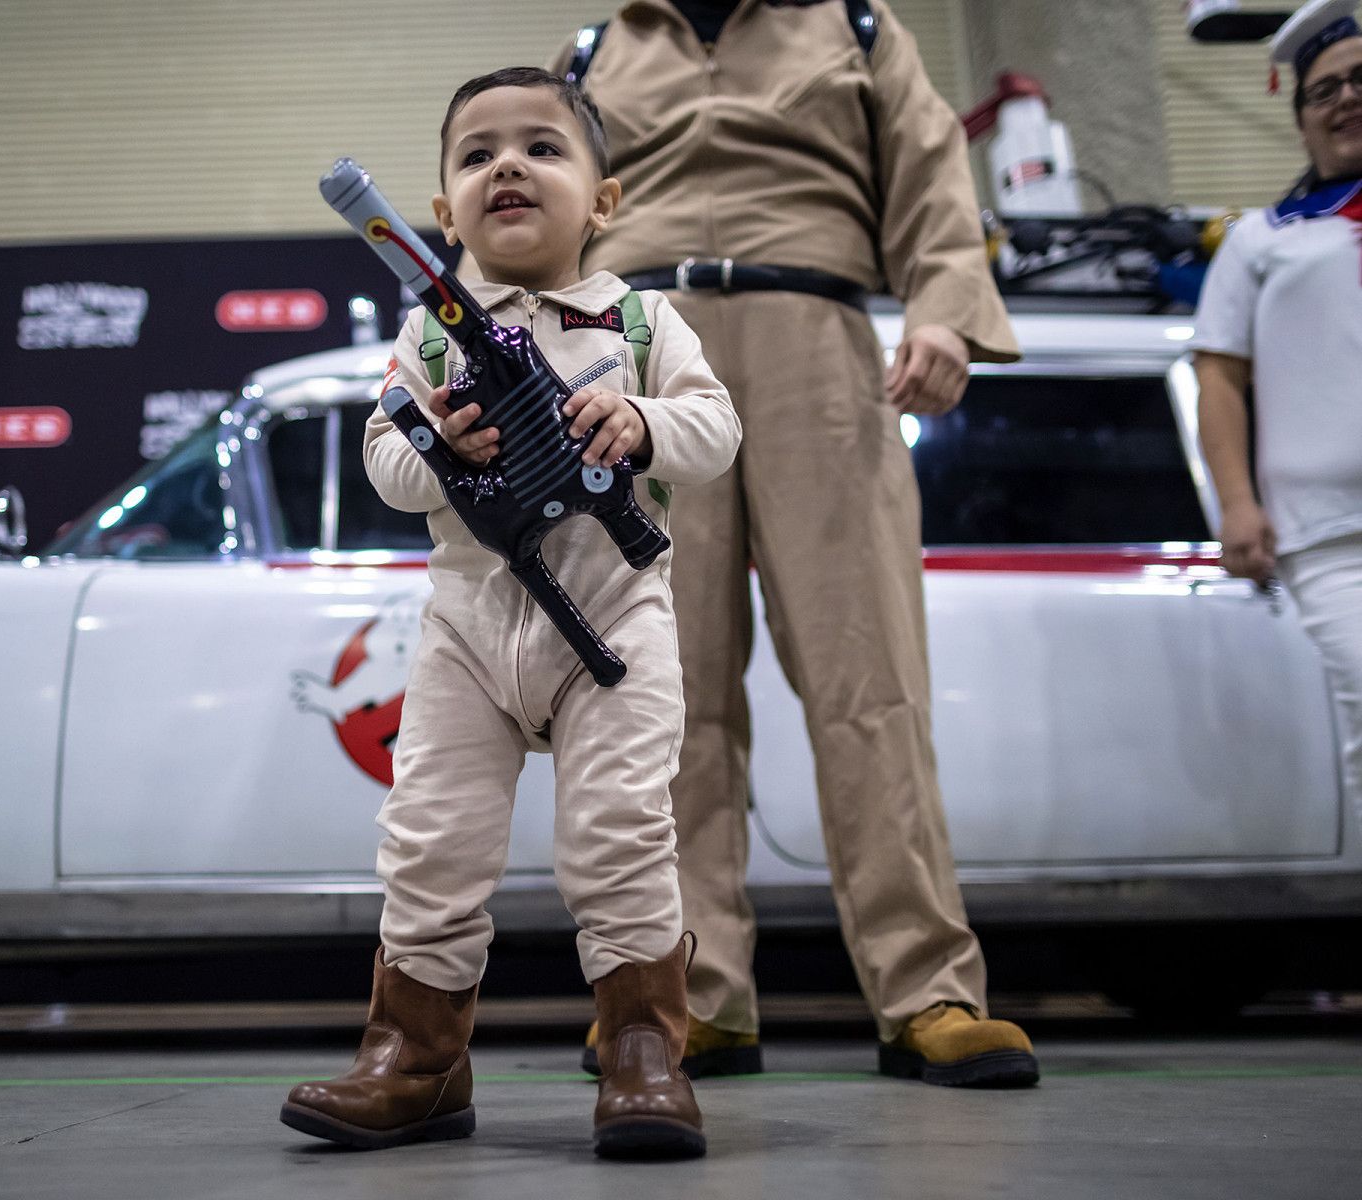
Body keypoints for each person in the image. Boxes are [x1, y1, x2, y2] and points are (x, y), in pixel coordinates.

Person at [550, 0, 1040, 1087]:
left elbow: (930, 173)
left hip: (817, 337)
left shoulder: (857, 28)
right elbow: (540, 191)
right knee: (665, 693)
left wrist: (944, 310)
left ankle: (929, 989)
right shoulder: (596, 49)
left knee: (871, 678)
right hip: (632, 353)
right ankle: (688, 993)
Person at [280, 67, 741, 1158]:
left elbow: (716, 429)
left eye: (542, 147)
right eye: (479, 155)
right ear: (444, 214)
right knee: (430, 842)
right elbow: (387, 460)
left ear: (604, 200)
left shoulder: (640, 319)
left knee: (618, 838)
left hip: (615, 620)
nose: (509, 168)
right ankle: (417, 1059)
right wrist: (439, 445)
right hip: (468, 629)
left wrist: (640, 421)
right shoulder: (432, 335)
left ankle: (642, 1050)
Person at [1193, 0, 1362, 860]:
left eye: (1360, 81)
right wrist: (1237, 504)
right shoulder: (1260, 240)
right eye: (1324, 90)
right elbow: (1218, 377)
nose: (1346, 99)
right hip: (1329, 541)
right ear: (1300, 118)